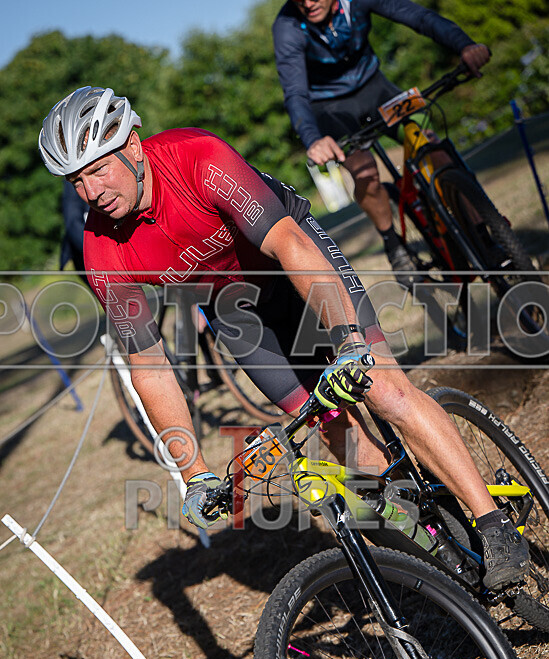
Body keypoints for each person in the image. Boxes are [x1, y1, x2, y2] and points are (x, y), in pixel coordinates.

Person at [38, 86, 527, 591]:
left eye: (98, 169)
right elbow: (148, 362)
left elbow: (289, 243)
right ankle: (443, 535)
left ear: (134, 145)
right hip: (239, 314)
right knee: (340, 436)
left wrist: (347, 340)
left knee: (383, 390)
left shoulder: (196, 157)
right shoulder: (101, 250)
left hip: (292, 260)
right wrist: (195, 472)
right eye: (76, 180)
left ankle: (493, 523)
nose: (91, 191)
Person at [272, 0, 491, 284]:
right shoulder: (287, 26)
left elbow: (418, 17)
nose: (309, 3)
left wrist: (465, 45)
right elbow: (295, 93)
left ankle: (487, 234)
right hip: (332, 110)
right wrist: (314, 140)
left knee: (434, 147)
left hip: (379, 91)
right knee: (366, 173)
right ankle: (393, 244)